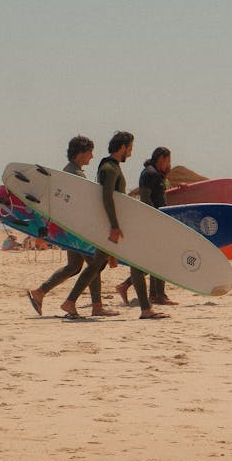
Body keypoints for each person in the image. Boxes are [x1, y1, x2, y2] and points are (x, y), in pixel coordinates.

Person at [60, 131, 170, 321]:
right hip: (113, 225)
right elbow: (107, 197)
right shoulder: (109, 168)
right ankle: (145, 309)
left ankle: (71, 301)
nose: (131, 153)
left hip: (113, 224)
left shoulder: (112, 166)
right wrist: (114, 225)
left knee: (95, 265)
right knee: (129, 262)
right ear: (122, 147)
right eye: (130, 149)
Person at [26, 136, 117, 317]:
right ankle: (96, 306)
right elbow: (82, 204)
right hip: (78, 227)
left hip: (69, 226)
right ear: (80, 153)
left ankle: (39, 293)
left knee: (74, 266)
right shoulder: (76, 175)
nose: (92, 156)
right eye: (89, 152)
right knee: (94, 263)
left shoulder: (67, 171)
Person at [115, 147, 177, 307]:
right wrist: (153, 218)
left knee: (155, 259)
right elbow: (145, 198)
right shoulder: (150, 173)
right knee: (159, 259)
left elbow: (158, 196)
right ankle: (156, 295)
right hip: (153, 221)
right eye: (168, 160)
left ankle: (152, 293)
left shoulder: (154, 174)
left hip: (157, 220)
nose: (169, 164)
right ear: (161, 158)